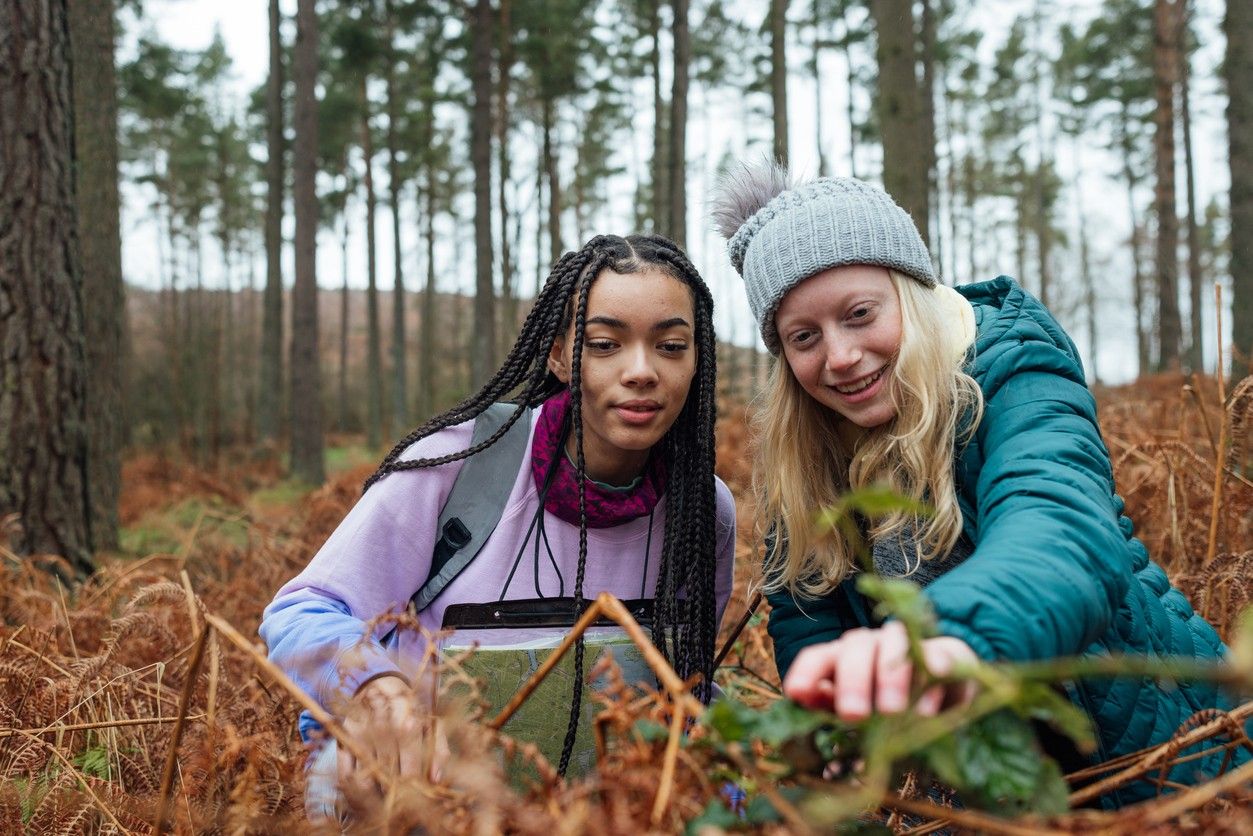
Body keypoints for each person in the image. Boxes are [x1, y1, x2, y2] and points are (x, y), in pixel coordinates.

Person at [711, 162, 1247, 808]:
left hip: (1163, 767)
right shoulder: (815, 450)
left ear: (908, 292)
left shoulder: (1014, 372)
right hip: (979, 797)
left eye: (858, 314)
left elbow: (1058, 530)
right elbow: (808, 612)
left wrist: (948, 638)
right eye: (803, 337)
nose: (839, 355)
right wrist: (831, 734)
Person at [261, 234, 736, 821]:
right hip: (431, 798)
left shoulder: (702, 513)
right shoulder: (460, 465)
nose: (641, 371)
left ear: (697, 360)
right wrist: (375, 688)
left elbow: (684, 686)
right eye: (606, 344)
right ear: (561, 356)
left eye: (670, 346)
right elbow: (301, 611)